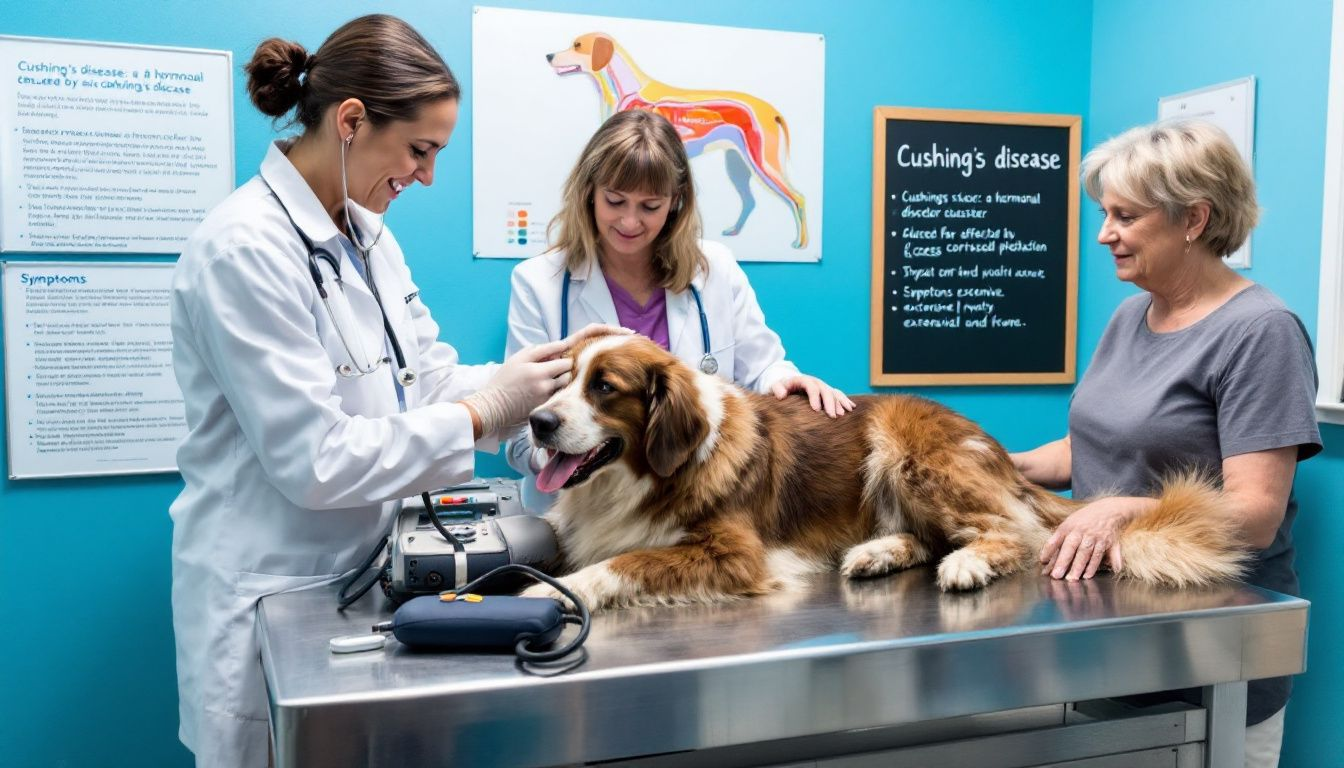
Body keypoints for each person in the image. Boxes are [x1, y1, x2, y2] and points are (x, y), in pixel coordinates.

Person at [168, 16, 604, 766]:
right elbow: (317, 461)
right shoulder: (242, 250)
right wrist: (482, 413)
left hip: (369, 583)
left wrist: (540, 407)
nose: (426, 176)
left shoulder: (368, 237)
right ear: (349, 121)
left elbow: (424, 377)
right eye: (419, 150)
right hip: (272, 594)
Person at [1011, 119, 1321, 767]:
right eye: (1104, 213)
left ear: (1194, 218)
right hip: (1111, 643)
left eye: (1124, 216)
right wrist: (983, 466)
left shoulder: (1262, 332)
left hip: (1207, 657)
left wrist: (1126, 508)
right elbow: (1084, 450)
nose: (1104, 235)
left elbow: (1257, 516)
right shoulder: (1134, 313)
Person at [506, 109, 853, 511]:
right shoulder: (538, 282)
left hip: (688, 504)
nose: (630, 221)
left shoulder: (715, 269)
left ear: (676, 201)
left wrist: (787, 380)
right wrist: (564, 452)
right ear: (588, 191)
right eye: (615, 201)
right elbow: (517, 431)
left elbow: (762, 369)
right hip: (579, 512)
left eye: (650, 206)